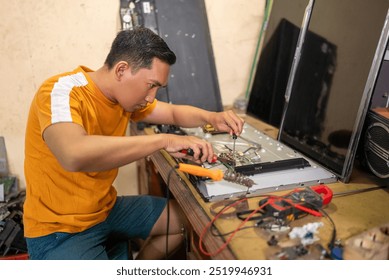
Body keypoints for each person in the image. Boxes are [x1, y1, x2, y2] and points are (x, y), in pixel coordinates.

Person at [23, 27, 244, 260]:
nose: (152, 97)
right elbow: (73, 154)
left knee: (185, 220)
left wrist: (212, 118)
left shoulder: (122, 98)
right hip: (59, 230)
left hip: (105, 211)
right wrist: (164, 140)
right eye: (151, 85)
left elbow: (173, 114)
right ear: (121, 70)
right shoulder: (60, 92)